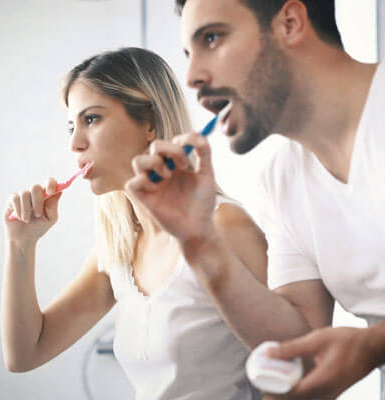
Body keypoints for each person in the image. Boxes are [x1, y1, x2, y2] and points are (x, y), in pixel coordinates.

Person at [125, 1, 385, 398]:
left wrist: (374, 344)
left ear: (290, 23)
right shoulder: (282, 179)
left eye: (212, 38)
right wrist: (198, 242)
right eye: (188, 55)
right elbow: (301, 344)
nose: (193, 77)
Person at [1, 47, 277, 400]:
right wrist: (21, 245)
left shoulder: (225, 226)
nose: (75, 143)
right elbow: (24, 354)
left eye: (92, 119)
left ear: (149, 123)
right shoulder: (118, 248)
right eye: (72, 125)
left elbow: (295, 366)